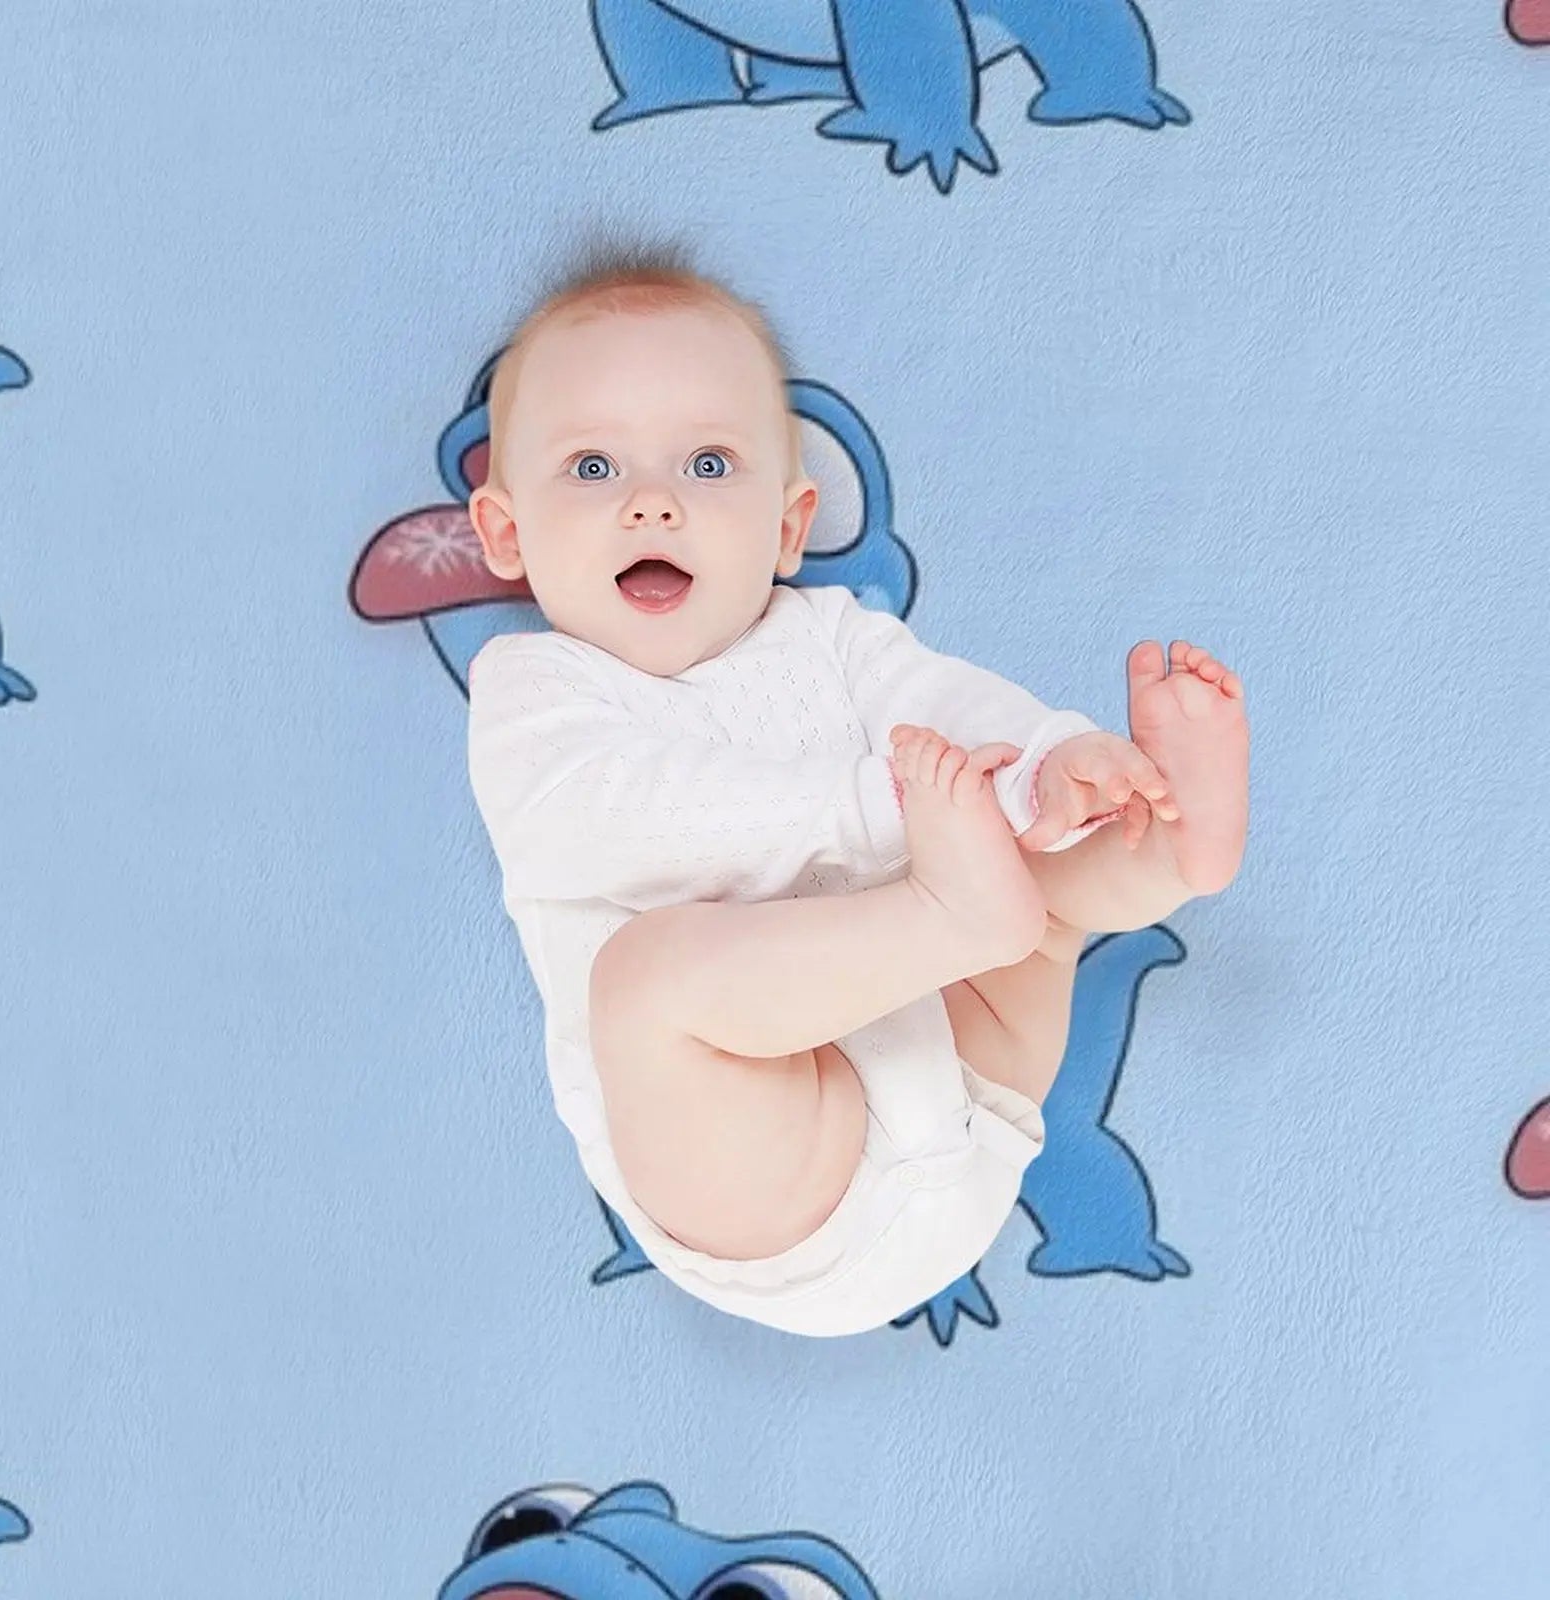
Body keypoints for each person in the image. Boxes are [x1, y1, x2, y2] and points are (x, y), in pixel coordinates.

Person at [465, 240, 1249, 1336]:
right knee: (644, 981)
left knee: (1040, 872)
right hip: (776, 1182)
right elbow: (622, 817)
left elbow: (949, 705)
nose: (652, 505)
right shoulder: (533, 692)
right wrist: (886, 811)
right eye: (592, 468)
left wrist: (1048, 763)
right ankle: (959, 911)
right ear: (505, 532)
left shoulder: (829, 636)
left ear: (790, 526)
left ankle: (1165, 845)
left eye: (707, 465)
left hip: (970, 1079)